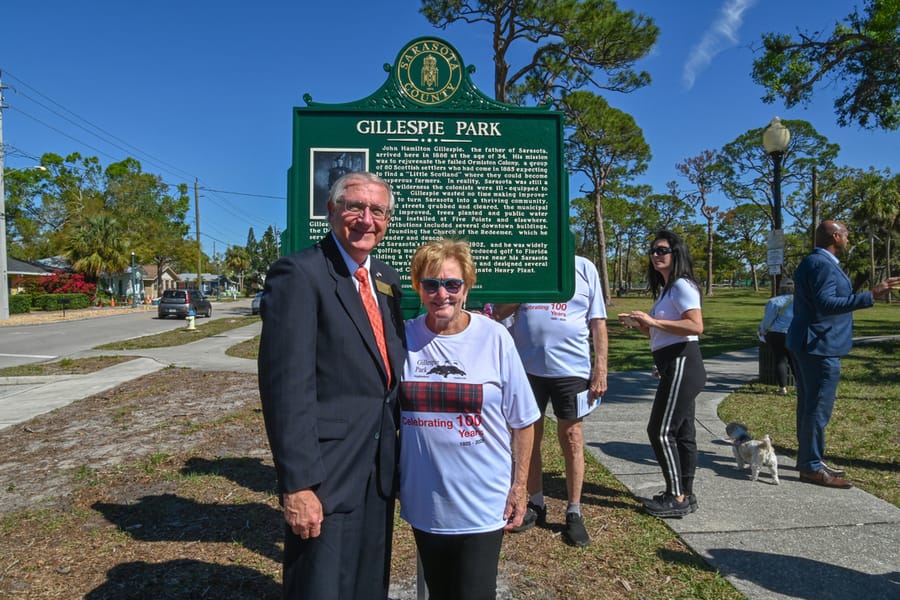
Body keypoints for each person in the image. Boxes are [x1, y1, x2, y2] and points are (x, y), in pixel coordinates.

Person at [257, 171, 406, 599]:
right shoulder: (299, 274)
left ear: (388, 219)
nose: (366, 219)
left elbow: (386, 364)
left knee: (366, 581)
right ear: (331, 211)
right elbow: (286, 388)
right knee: (319, 584)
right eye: (354, 207)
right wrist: (298, 484)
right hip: (325, 469)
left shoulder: (386, 279)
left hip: (378, 463)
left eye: (377, 210)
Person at [399, 238, 539, 600]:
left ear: (466, 287)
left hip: (482, 502)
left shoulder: (494, 339)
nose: (441, 293)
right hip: (425, 502)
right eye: (431, 284)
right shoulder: (404, 338)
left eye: (452, 284)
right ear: (419, 286)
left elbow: (523, 420)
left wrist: (520, 486)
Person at [496, 255, 608, 547]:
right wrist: (526, 287)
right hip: (527, 369)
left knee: (571, 436)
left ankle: (573, 511)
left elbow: (597, 322)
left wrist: (601, 368)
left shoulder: (583, 268)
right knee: (528, 437)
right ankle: (535, 504)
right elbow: (499, 311)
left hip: (571, 370)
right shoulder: (527, 263)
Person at [786, 220, 900, 489]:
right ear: (835, 237)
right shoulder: (821, 265)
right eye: (846, 234)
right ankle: (811, 468)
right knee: (816, 409)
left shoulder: (814, 261)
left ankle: (809, 460)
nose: (848, 238)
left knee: (809, 406)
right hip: (819, 346)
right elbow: (826, 304)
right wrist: (871, 295)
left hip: (809, 343)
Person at [619, 230, 706, 518]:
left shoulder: (682, 285)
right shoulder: (668, 289)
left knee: (660, 430)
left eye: (663, 250)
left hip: (683, 361)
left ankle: (676, 496)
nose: (656, 255)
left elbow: (695, 326)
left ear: (676, 253)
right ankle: (686, 494)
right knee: (683, 433)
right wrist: (643, 325)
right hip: (674, 362)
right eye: (653, 250)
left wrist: (652, 320)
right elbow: (664, 330)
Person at [758, 281, 796, 394]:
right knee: (795, 360)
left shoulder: (774, 301)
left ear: (780, 289)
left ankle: (782, 388)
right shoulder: (800, 301)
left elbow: (768, 319)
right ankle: (801, 385)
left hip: (776, 334)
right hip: (795, 333)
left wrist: (762, 330)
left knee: (780, 360)